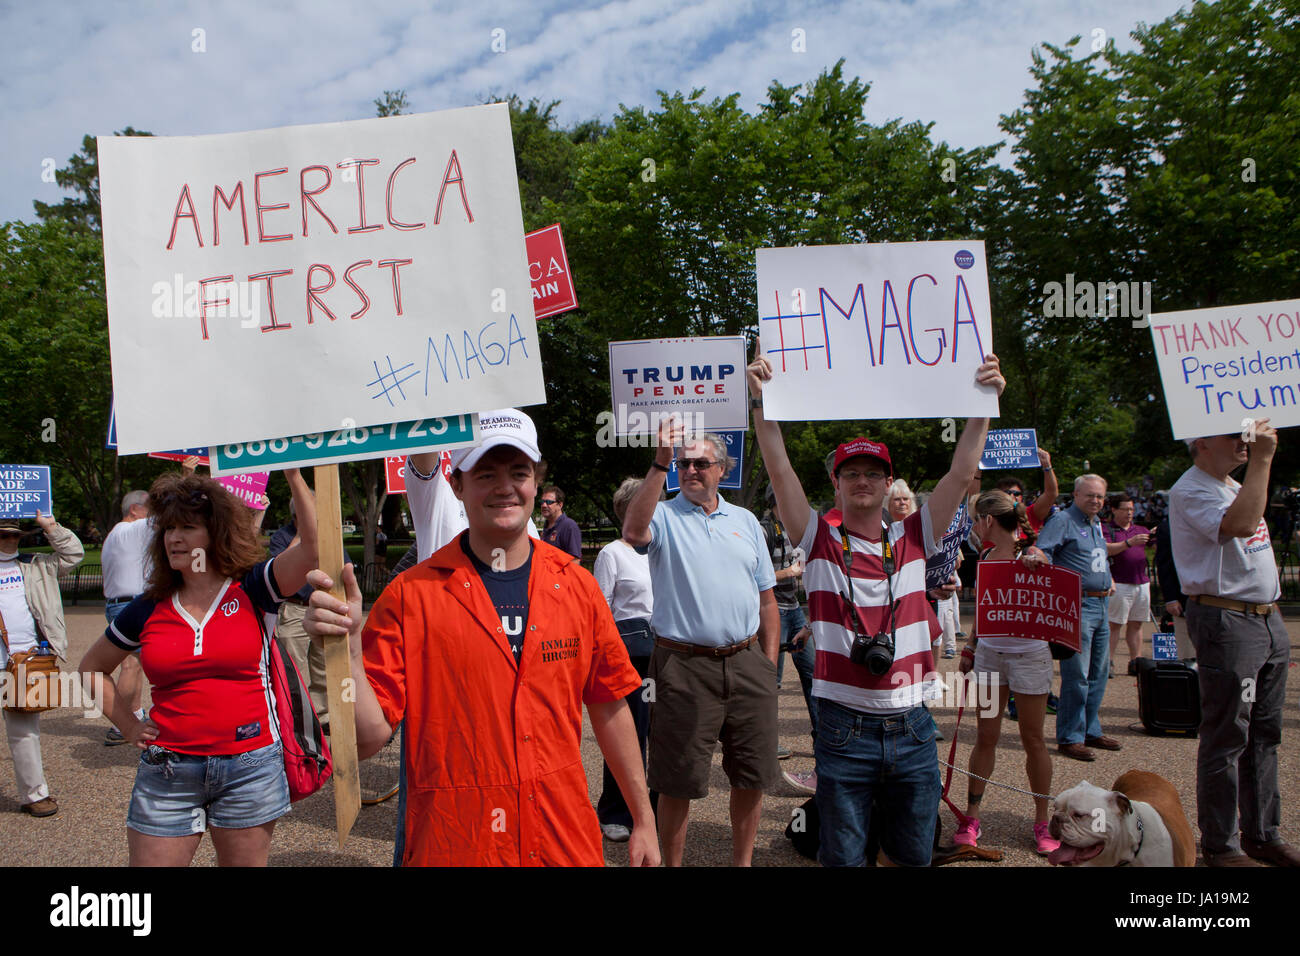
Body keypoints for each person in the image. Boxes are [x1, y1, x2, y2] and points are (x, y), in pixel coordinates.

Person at [305, 409, 659, 867]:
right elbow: (369, 740)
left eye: (519, 472)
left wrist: (644, 818)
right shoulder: (411, 596)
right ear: (457, 486)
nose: (504, 486)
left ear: (536, 482)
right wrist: (349, 655)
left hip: (561, 838)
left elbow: (611, 705)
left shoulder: (577, 585)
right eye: (486, 473)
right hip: (457, 842)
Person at [748, 344, 1007, 867]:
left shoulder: (915, 535)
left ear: (889, 484)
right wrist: (760, 405)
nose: (862, 481)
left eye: (873, 473)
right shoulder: (817, 538)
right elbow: (779, 471)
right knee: (843, 858)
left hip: (912, 726)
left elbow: (961, 474)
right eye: (851, 473)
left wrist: (983, 403)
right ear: (836, 484)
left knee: (913, 856)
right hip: (843, 727)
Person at [78, 471, 317, 866]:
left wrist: (291, 469)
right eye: (168, 528)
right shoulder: (148, 606)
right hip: (167, 769)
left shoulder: (255, 588)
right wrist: (129, 725)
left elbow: (311, 548)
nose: (174, 537)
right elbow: (90, 668)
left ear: (216, 533)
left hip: (250, 767)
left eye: (188, 527)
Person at [623, 421, 778, 867]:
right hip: (683, 666)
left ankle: (742, 863)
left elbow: (766, 598)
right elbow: (633, 533)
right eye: (683, 463)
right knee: (678, 780)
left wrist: (767, 665)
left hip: (747, 662)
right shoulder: (663, 514)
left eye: (700, 463)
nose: (689, 470)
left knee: (752, 775)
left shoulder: (746, 521)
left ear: (722, 469)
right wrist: (660, 460)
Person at [1171, 421, 1298, 867]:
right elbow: (1242, 526)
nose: (1245, 442)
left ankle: (1262, 833)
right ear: (1202, 442)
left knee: (1264, 734)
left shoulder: (1226, 485)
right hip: (1229, 619)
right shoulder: (1191, 489)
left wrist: (1272, 614)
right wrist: (1264, 457)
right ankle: (1222, 846)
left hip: (1262, 619)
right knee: (1228, 735)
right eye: (1234, 435)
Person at [955, 490, 1059, 855]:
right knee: (986, 736)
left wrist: (1037, 561)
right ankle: (971, 815)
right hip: (988, 657)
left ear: (988, 521)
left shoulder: (1028, 553)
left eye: (975, 519)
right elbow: (985, 610)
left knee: (1033, 738)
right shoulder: (984, 556)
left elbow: (1044, 567)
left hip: (1029, 656)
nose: (972, 526)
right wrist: (970, 646)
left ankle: (1042, 820)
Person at [0, 512, 83, 817]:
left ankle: (35, 794)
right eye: (2, 536)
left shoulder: (37, 564)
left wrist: (51, 526)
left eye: (13, 535)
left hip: (25, 660)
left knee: (25, 731)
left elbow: (74, 554)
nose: (8, 541)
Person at [1036, 473, 1118, 761]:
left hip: (1102, 605)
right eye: (1090, 495)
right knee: (1077, 675)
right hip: (1077, 606)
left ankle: (1089, 730)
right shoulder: (1063, 521)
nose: (1095, 500)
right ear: (1076, 494)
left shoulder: (1095, 523)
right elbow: (1043, 553)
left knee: (1098, 673)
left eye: (1099, 496)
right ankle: (1070, 736)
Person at [591, 477, 656, 842]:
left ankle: (655, 809)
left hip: (667, 653)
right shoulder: (612, 553)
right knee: (629, 735)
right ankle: (616, 810)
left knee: (663, 734)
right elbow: (600, 610)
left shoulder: (664, 549)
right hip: (629, 658)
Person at [267, 482, 333, 730]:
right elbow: (277, 568)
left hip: (321, 604)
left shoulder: (329, 534)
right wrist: (301, 536)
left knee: (323, 664)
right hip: (293, 609)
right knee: (290, 665)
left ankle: (321, 716)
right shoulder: (281, 537)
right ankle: (290, 716)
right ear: (298, 514)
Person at [761, 483, 816, 777]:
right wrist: (789, 573)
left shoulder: (795, 529)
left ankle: (823, 736)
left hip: (794, 609)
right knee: (772, 680)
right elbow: (754, 573)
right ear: (776, 501)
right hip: (772, 611)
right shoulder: (764, 529)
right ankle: (767, 741)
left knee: (813, 674)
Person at [100, 490, 152, 746]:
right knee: (132, 665)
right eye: (148, 509)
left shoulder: (114, 535)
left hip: (116, 604)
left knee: (133, 664)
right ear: (135, 510)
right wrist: (186, 474)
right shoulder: (134, 530)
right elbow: (173, 513)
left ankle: (134, 713)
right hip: (130, 604)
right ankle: (121, 723)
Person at [1104, 492, 1152, 677]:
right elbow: (1106, 549)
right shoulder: (1108, 530)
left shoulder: (1141, 529)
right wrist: (1129, 543)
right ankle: (1108, 661)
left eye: (1131, 509)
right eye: (1125, 509)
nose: (1129, 513)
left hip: (1141, 583)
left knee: (1136, 624)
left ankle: (1135, 660)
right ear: (1114, 510)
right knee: (1114, 624)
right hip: (1120, 582)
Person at [539, 485, 583, 559]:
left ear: (560, 505)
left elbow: (574, 560)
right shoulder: (546, 526)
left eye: (548, 502)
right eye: (542, 502)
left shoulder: (569, 526)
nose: (544, 505)